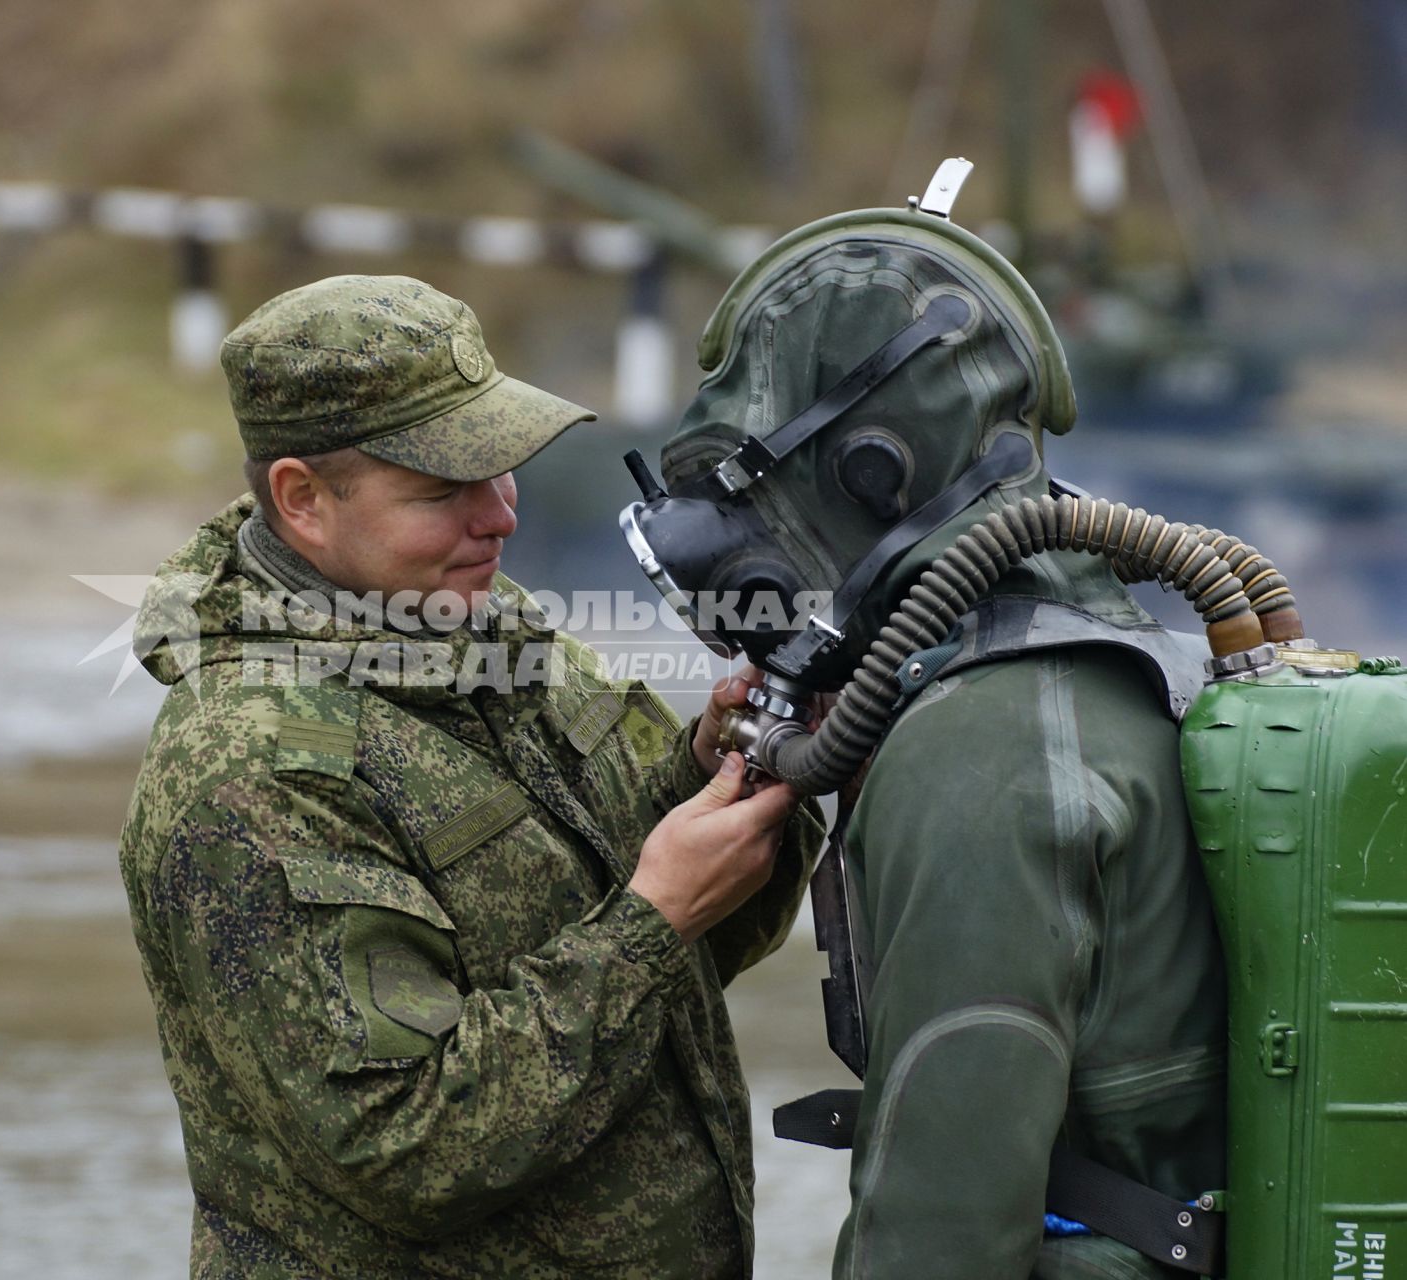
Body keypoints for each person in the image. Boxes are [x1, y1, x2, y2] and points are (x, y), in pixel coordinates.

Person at [118, 274, 824, 1278]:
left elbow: (684, 935)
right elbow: (407, 1145)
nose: (497, 518)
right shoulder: (248, 773)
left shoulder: (488, 628)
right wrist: (650, 924)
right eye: (442, 490)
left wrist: (730, 767)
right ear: (302, 500)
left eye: (500, 471)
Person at [644, 190, 1227, 1278]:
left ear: (873, 464)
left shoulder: (982, 754)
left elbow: (936, 1236)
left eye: (751, 480)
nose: (735, 534)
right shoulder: (1095, 654)